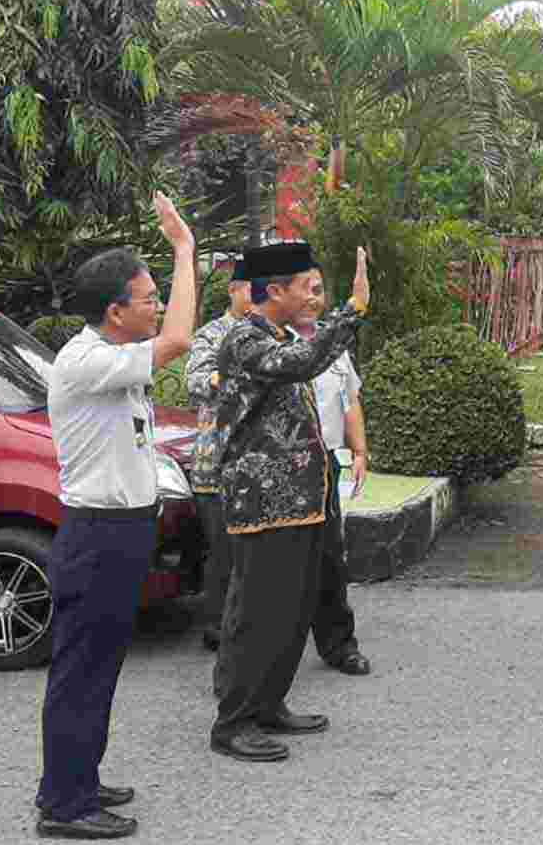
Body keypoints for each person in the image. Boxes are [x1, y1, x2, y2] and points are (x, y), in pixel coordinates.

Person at [33, 193, 198, 840]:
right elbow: (180, 337)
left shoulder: (115, 355)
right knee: (81, 671)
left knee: (100, 666)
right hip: (97, 534)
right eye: (148, 295)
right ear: (115, 310)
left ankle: (78, 777)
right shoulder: (87, 359)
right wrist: (183, 247)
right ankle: (64, 804)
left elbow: (167, 334)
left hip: (121, 531)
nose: (157, 305)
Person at [208, 242, 368, 763]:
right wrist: (354, 312)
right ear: (273, 291)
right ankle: (233, 721)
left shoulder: (277, 335)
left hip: (301, 499)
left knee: (291, 610)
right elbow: (303, 363)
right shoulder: (244, 341)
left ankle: (269, 704)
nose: (313, 298)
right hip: (263, 502)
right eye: (306, 287)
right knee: (256, 613)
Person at [295, 270, 372, 676]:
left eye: (319, 290)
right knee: (281, 568)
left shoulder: (334, 345)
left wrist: (359, 450)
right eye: (303, 289)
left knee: (330, 560)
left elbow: (349, 399)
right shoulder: (268, 344)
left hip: (325, 463)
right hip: (285, 467)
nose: (312, 297)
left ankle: (339, 645)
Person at [184, 261, 253, 656]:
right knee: (223, 553)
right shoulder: (212, 334)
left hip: (256, 464)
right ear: (234, 290)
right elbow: (196, 384)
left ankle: (247, 626)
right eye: (250, 290)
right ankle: (217, 627)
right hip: (216, 464)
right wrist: (229, 375)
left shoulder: (271, 334)